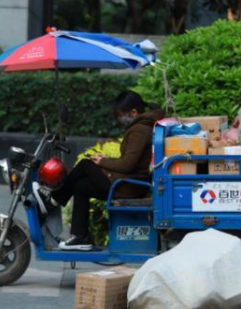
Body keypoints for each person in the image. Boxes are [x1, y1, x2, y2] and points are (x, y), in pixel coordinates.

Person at [37, 90, 164, 251]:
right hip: (130, 183)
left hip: (128, 187)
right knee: (81, 186)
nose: (119, 119)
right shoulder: (142, 126)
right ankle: (81, 237)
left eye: (121, 115)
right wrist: (105, 160)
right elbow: (132, 162)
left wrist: (103, 161)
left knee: (85, 164)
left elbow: (128, 165)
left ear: (133, 112)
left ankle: (54, 199)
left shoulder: (139, 130)